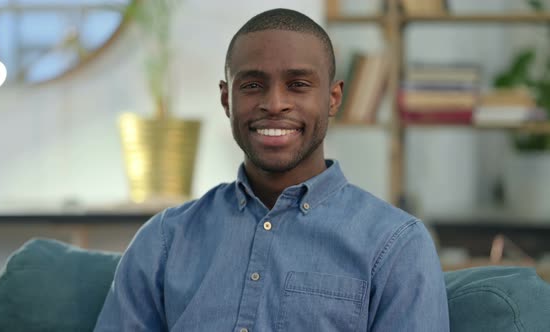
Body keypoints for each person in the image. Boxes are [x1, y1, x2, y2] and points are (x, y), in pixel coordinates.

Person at [94, 8, 449, 332]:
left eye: (298, 85)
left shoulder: (397, 246)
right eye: (252, 86)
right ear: (226, 99)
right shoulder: (163, 241)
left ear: (333, 99)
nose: (275, 104)